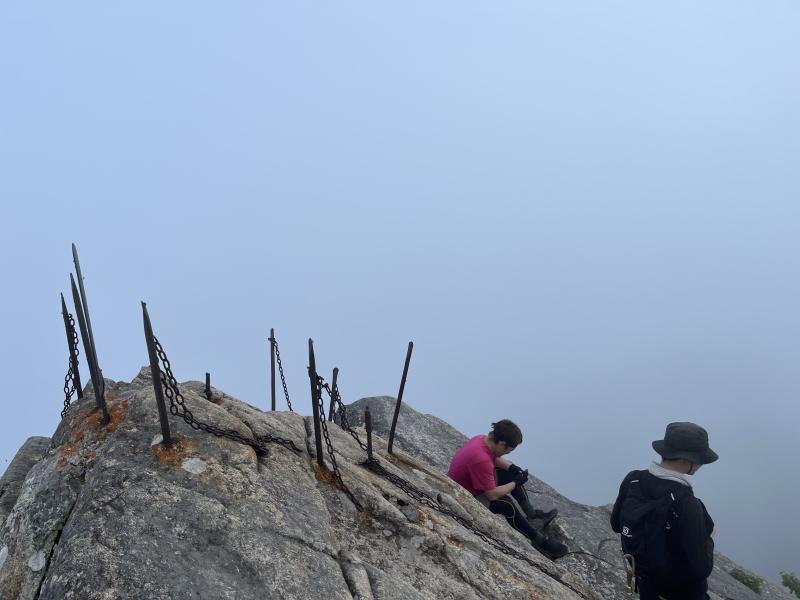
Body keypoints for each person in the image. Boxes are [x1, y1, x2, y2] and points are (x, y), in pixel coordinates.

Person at [611, 422, 718, 600]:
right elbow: (702, 569)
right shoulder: (687, 504)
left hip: (647, 588)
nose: (701, 464)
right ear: (687, 460)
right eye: (700, 459)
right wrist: (709, 539)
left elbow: (616, 525)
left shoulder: (633, 479)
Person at [448, 419, 568, 559]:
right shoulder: (481, 459)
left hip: (466, 484)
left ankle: (532, 515)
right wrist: (515, 483)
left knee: (510, 474)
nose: (507, 454)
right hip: (463, 496)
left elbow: (493, 457)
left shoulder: (481, 439)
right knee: (506, 504)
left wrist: (511, 468)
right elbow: (492, 495)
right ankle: (540, 542)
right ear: (502, 444)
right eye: (508, 450)